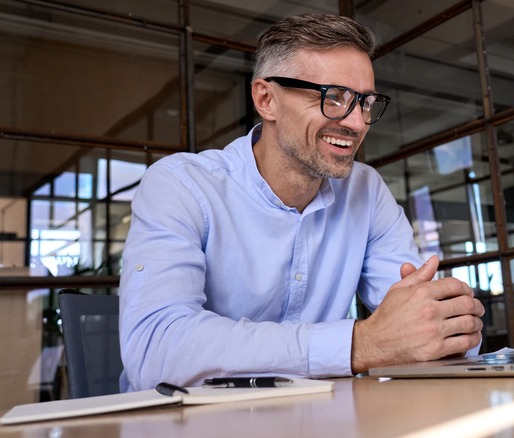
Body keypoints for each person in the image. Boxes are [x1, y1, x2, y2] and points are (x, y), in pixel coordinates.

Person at [118, 13, 484, 392]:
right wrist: (359, 344)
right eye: (333, 97)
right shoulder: (181, 185)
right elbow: (155, 349)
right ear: (267, 100)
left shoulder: (366, 190)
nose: (357, 123)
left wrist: (447, 324)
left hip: (318, 418)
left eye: (365, 102)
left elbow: (416, 326)